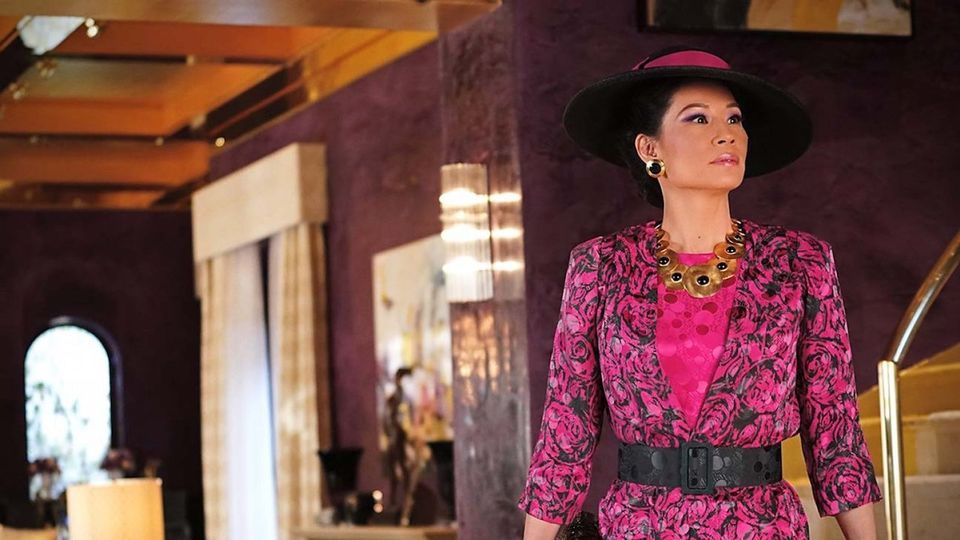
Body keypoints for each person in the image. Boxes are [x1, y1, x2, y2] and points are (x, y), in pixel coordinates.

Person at [517, 46, 882, 539]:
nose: (726, 132)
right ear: (650, 148)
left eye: (734, 118)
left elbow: (835, 429)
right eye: (698, 118)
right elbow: (566, 433)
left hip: (763, 529)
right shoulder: (600, 265)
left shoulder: (800, 261)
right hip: (638, 528)